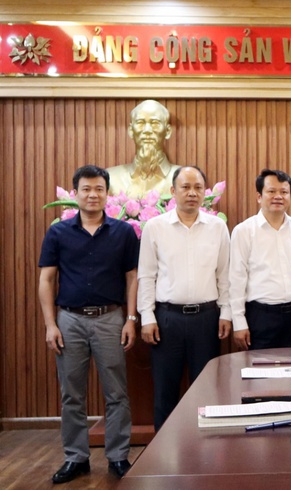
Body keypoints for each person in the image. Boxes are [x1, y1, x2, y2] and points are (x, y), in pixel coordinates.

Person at [38, 165, 139, 483]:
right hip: (69, 320)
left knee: (117, 393)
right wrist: (50, 324)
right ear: (75, 193)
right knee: (72, 394)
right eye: (86, 189)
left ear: (107, 194)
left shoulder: (123, 232)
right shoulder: (57, 232)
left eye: (99, 189)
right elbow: (46, 279)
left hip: (110, 318)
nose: (93, 194)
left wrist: (131, 318)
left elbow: (133, 277)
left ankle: (118, 456)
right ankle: (76, 458)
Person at [137, 166, 231, 431]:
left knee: (206, 391)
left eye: (198, 188)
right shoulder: (155, 228)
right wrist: (147, 316)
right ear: (173, 191)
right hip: (167, 320)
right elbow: (146, 275)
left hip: (207, 319)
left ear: (205, 192)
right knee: (165, 392)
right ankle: (163, 461)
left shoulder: (218, 227)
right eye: (185, 187)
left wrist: (226, 313)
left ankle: (204, 457)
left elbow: (225, 275)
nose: (192, 193)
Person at [230, 169, 291, 350]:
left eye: (284, 192)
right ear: (259, 196)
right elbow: (237, 278)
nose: (278, 196)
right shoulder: (244, 231)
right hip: (260, 317)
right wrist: (239, 322)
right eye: (271, 191)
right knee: (261, 374)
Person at [106, 99, 181, 198]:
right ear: (131, 131)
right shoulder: (111, 178)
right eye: (140, 123)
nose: (147, 130)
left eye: (155, 123)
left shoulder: (185, 178)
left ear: (167, 131)